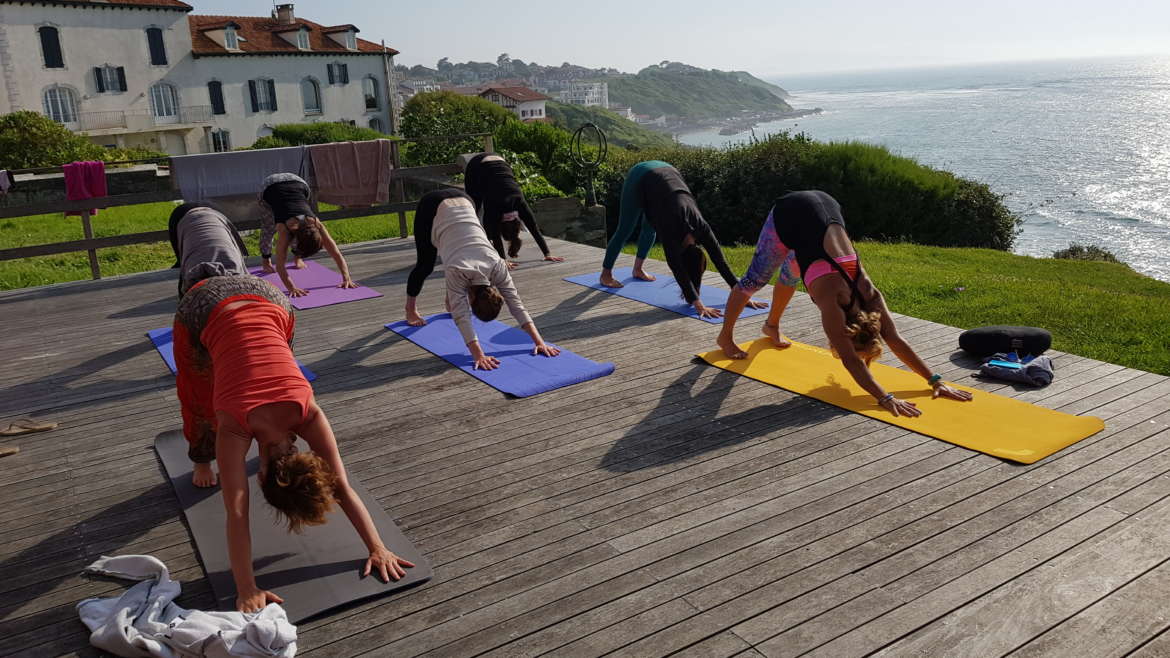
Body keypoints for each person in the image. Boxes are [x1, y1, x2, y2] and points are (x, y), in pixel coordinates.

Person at [173, 274, 413, 613]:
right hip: (203, 303)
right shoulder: (234, 429)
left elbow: (340, 485)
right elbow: (236, 513)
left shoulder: (307, 412)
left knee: (225, 373)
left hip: (273, 300)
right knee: (198, 397)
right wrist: (245, 589)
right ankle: (201, 460)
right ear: (259, 475)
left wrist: (378, 547)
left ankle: (203, 456)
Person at [715, 190, 974, 417]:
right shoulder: (832, 303)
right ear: (844, 333)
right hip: (791, 212)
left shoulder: (871, 295)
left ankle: (771, 326)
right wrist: (885, 397)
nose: (863, 363)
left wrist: (935, 380)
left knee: (792, 272)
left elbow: (894, 338)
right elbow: (850, 360)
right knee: (753, 281)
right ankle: (725, 337)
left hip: (824, 210)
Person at [404, 188, 560, 370]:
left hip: (464, 199)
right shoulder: (465, 270)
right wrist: (479, 355)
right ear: (472, 299)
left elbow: (516, 304)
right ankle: (410, 308)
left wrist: (539, 342)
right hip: (432, 205)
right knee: (425, 265)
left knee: (456, 274)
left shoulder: (499, 266)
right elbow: (461, 316)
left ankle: (449, 299)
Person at [599, 160, 765, 318]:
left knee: (650, 228)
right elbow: (676, 267)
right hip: (641, 176)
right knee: (625, 229)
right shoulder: (671, 229)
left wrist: (742, 295)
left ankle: (638, 270)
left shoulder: (700, 226)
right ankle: (606, 275)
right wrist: (698, 304)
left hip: (667, 179)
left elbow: (720, 261)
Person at [258, 173, 357, 297]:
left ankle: (297, 258)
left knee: (300, 237)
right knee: (269, 227)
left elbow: (336, 252)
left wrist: (346, 278)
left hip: (299, 184)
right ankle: (265, 261)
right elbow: (280, 265)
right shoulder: (284, 229)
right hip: (269, 186)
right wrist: (292, 288)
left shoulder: (316, 224)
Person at [463, 152, 565, 267]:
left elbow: (534, 228)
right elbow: (496, 235)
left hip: (501, 161)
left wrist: (547, 254)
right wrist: (503, 260)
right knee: (474, 207)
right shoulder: (498, 205)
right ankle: (468, 241)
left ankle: (484, 243)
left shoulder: (519, 202)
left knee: (488, 224)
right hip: (476, 165)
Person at [167, 202, 249, 297]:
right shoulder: (193, 273)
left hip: (214, 215)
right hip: (181, 215)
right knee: (182, 265)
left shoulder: (237, 273)